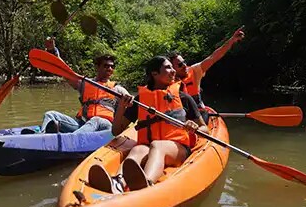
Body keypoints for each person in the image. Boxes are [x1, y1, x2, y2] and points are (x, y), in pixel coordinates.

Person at [88, 56, 209, 193]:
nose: (173, 71)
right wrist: (122, 107)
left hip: (178, 148)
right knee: (138, 149)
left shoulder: (183, 98)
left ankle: (147, 183)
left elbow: (205, 129)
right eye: (168, 68)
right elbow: (116, 131)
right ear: (154, 73)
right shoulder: (141, 100)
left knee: (157, 145)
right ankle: (118, 182)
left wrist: (195, 128)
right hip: (149, 145)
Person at [27, 54, 129, 134]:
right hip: (82, 123)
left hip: (104, 125)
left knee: (96, 120)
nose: (110, 69)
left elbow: (129, 100)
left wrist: (128, 99)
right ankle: (42, 135)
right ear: (97, 67)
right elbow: (66, 73)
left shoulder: (117, 88)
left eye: (112, 66)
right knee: (50, 114)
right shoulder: (85, 84)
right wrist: (54, 52)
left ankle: (71, 139)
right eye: (106, 66)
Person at [168, 27, 245, 122]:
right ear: (172, 69)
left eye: (184, 62)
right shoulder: (167, 81)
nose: (184, 66)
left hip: (199, 113)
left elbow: (214, 57)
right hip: (182, 117)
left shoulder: (195, 71)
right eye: (180, 65)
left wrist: (232, 39)